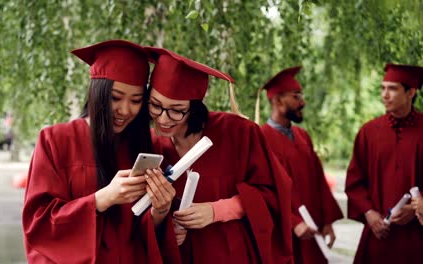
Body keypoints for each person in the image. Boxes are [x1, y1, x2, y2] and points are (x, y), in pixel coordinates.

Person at [22, 40, 179, 263]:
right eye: (115, 98)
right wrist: (102, 199)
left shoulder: (147, 147)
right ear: (98, 91)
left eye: (136, 101)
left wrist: (161, 211)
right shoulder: (55, 141)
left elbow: (143, 235)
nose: (125, 110)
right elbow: (39, 224)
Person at [145, 47, 293, 264]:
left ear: (195, 108)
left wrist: (218, 210)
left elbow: (272, 193)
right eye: (155, 105)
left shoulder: (238, 132)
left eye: (176, 110)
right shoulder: (151, 144)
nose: (163, 119)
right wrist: (165, 229)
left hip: (231, 254)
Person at [258, 66, 343, 264]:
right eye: (296, 97)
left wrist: (327, 221)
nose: (302, 102)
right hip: (284, 233)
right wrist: (293, 222)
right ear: (278, 101)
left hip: (313, 230)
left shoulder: (302, 136)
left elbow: (319, 182)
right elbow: (262, 191)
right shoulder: (261, 139)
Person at [345, 63, 423, 264]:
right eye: (383, 88)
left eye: (392, 88)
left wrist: (417, 208)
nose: (385, 95)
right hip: (380, 236)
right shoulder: (369, 132)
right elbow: (355, 181)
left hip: (417, 238)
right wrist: (370, 215)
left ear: (411, 92)